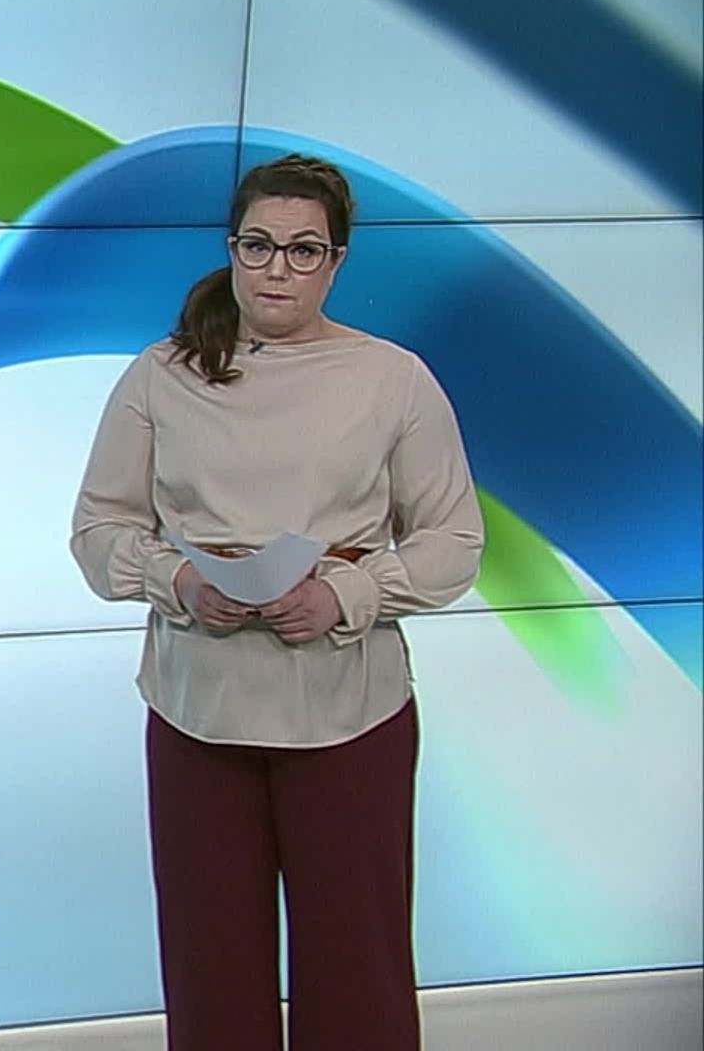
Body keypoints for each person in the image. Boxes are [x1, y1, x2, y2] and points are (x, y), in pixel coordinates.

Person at [69, 154, 485, 1050]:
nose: (276, 270)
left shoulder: (393, 379)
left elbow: (454, 541)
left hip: (349, 713)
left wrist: (346, 594)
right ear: (231, 250)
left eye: (303, 251)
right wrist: (179, 581)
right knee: (211, 965)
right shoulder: (160, 376)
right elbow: (99, 529)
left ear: (336, 262)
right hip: (198, 712)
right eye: (257, 246)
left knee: (358, 968)